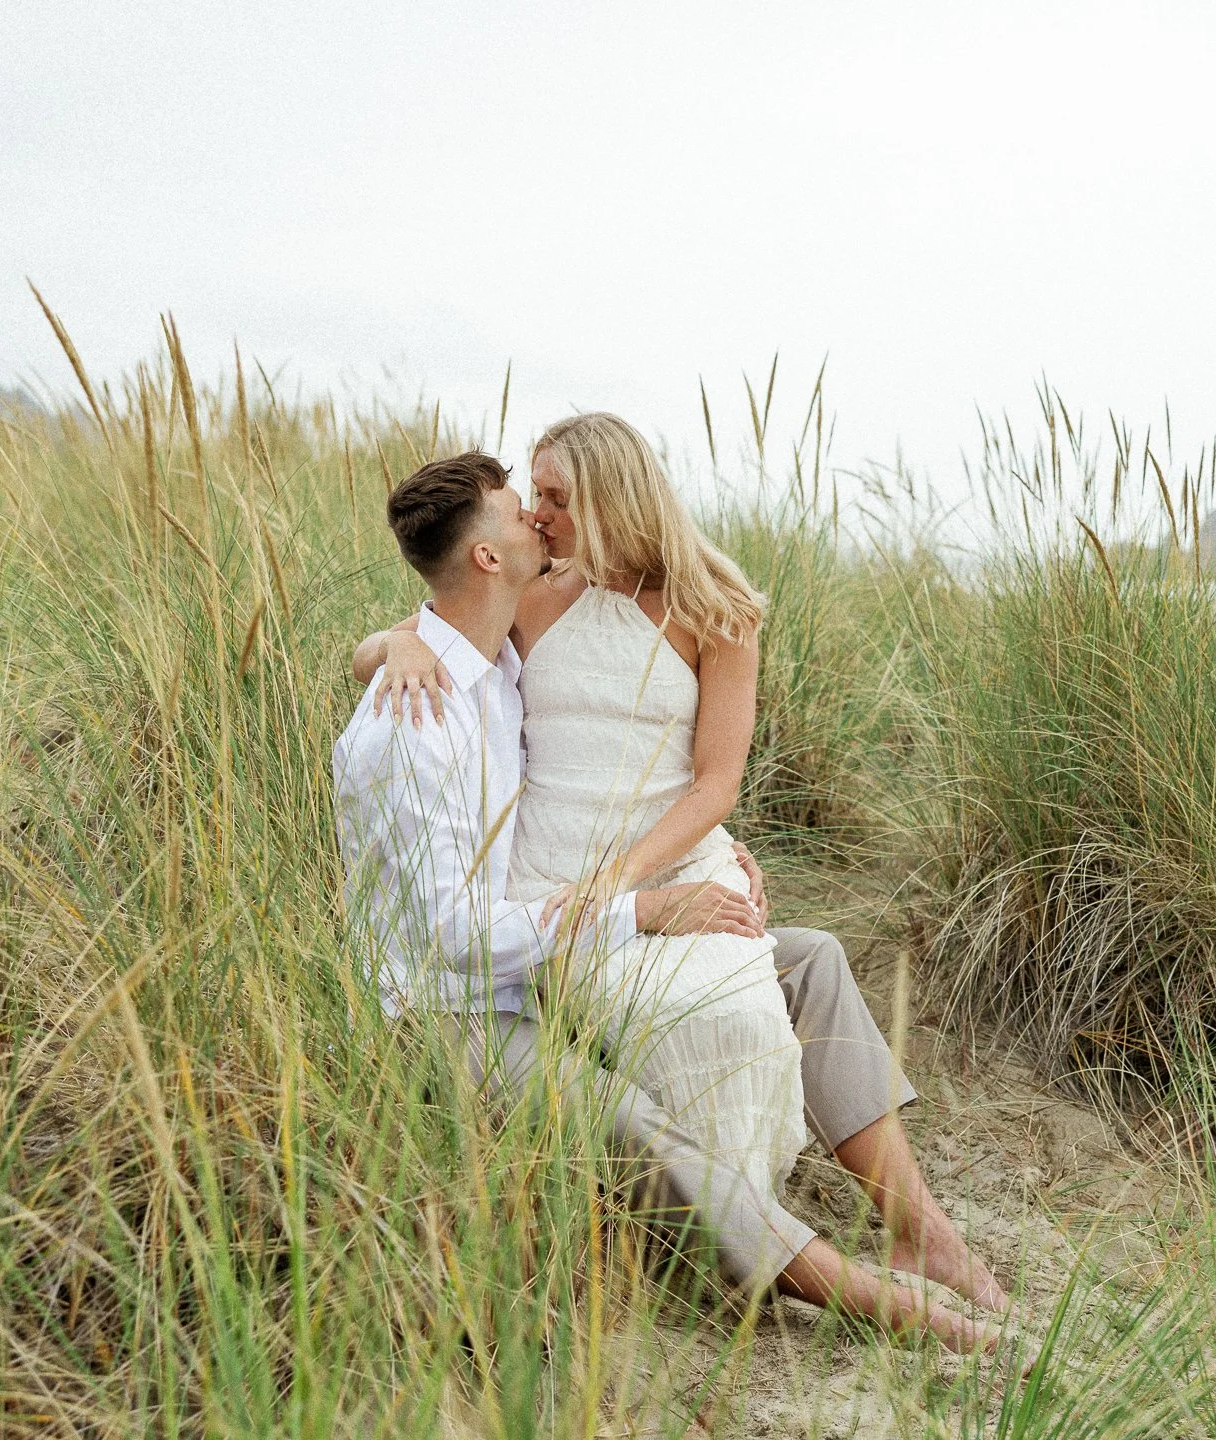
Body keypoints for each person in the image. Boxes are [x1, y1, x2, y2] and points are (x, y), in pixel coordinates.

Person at [339, 445, 1009, 1353]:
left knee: (808, 960)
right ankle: (873, 1302)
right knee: (634, 1123)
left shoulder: (484, 662)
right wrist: (638, 909)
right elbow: (448, 938)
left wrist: (710, 851)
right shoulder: (420, 716)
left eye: (551, 499)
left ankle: (919, 1230)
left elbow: (632, 765)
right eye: (522, 505)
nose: (538, 517)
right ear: (492, 556)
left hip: (535, 937)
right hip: (449, 1006)